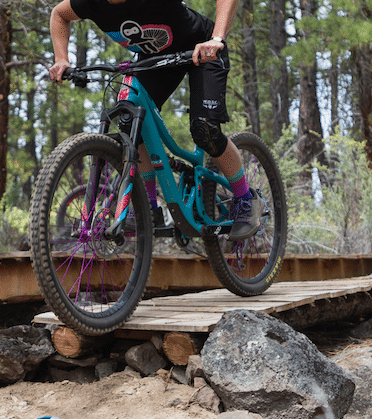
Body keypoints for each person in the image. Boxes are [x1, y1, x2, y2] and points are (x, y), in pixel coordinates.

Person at [49, 0, 264, 241]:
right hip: (155, 59)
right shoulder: (90, 2)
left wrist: (217, 38)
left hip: (202, 49)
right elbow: (59, 14)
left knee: (205, 130)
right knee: (130, 124)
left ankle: (245, 198)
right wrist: (61, 58)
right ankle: (150, 209)